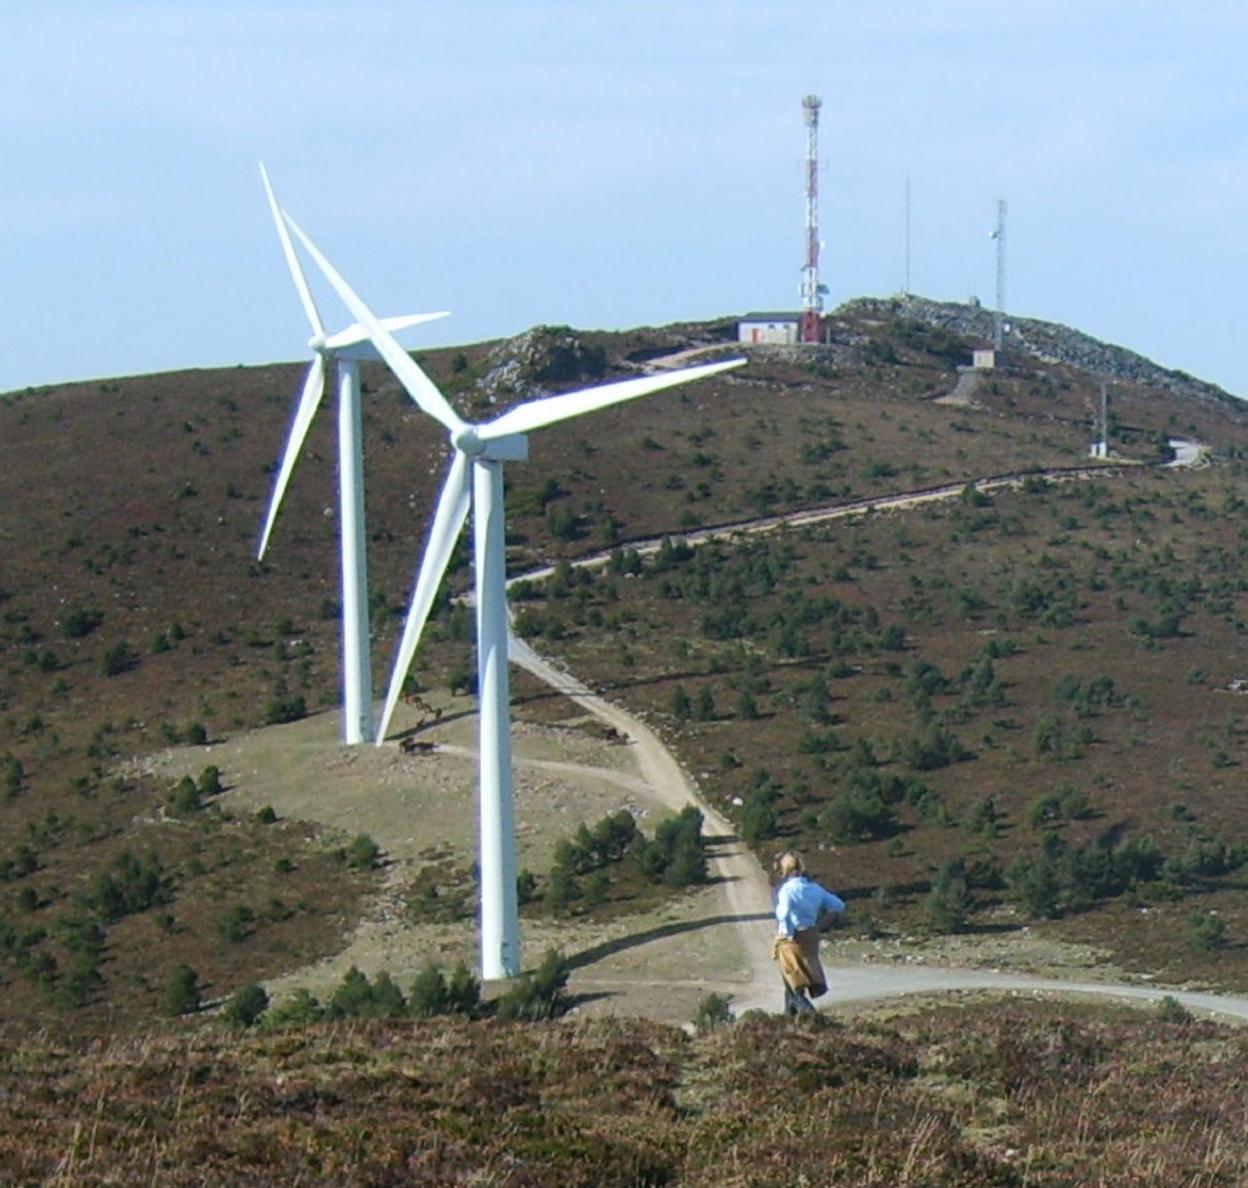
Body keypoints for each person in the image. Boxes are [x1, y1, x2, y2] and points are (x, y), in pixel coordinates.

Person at [772, 851, 845, 1016]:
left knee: (792, 983)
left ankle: (812, 1017)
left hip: (791, 940)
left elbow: (783, 914)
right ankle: (789, 1019)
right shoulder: (815, 889)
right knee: (795, 983)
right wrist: (820, 925)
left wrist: (787, 932)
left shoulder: (787, 890)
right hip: (811, 937)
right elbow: (838, 906)